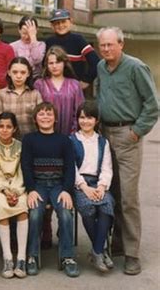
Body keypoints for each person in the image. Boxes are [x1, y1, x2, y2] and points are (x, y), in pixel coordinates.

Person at [96, 26, 158, 275]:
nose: (106, 49)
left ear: (121, 44)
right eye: (103, 45)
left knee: (129, 197)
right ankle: (118, 242)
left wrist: (137, 131)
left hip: (127, 135)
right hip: (105, 133)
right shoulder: (101, 68)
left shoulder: (136, 67)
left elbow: (153, 105)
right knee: (113, 191)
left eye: (111, 44)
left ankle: (132, 253)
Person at [21, 102, 79, 278]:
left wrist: (67, 190)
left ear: (55, 119)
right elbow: (26, 166)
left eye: (49, 114)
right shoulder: (29, 139)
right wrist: (31, 189)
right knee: (35, 213)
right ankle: (32, 255)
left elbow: (70, 167)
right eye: (41, 114)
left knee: (66, 212)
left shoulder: (64, 140)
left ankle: (67, 256)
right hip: (38, 186)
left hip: (58, 186)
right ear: (35, 119)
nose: (45, 117)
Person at [71, 101, 115, 273]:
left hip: (98, 183)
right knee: (87, 206)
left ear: (96, 120)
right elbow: (71, 168)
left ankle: (96, 251)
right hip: (80, 184)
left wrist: (102, 187)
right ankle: (101, 250)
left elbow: (107, 167)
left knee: (106, 205)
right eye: (82, 117)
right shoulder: (72, 140)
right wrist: (84, 187)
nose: (85, 121)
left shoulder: (103, 142)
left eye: (89, 118)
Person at [0, 112, 28, 279]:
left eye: (8, 127)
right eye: (1, 126)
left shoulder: (21, 146)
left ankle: (21, 259)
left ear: (15, 129)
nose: (4, 130)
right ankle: (7, 258)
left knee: (23, 209)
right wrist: (5, 190)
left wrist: (17, 191)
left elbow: (22, 171)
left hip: (19, 188)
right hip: (0, 188)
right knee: (2, 206)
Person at [45, 9, 100, 92]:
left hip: (74, 90)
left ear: (71, 22)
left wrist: (86, 80)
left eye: (63, 21)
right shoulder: (49, 42)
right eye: (57, 23)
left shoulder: (78, 40)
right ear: (52, 26)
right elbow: (44, 66)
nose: (60, 25)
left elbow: (96, 62)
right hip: (53, 90)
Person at [34, 46, 84, 136]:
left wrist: (73, 135)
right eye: (51, 63)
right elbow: (36, 112)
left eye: (58, 62)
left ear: (64, 63)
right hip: (45, 135)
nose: (54, 66)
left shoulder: (74, 85)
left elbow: (80, 111)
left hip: (70, 136)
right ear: (46, 65)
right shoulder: (40, 84)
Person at [0, 57, 43, 139]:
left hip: (31, 141)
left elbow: (41, 122)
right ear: (9, 72)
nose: (18, 76)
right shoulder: (1, 94)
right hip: (9, 142)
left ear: (28, 73)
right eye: (15, 72)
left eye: (23, 72)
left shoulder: (35, 94)